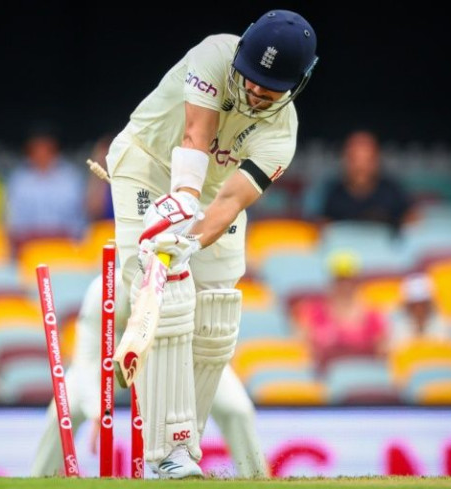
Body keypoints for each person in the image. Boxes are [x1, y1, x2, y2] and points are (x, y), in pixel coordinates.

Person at [101, 9, 319, 478]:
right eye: (252, 78)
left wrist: (190, 242)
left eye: (271, 86)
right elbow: (195, 135)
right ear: (240, 56)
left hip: (210, 194)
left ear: (298, 83)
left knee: (217, 314)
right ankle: (162, 452)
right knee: (162, 289)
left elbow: (228, 202)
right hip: (147, 162)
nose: (257, 92)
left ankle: (182, 448)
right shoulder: (214, 53)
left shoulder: (281, 135)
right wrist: (177, 204)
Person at [31, 271, 268, 478]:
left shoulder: (184, 284)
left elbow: (203, 346)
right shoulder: (103, 290)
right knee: (64, 411)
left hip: (182, 351)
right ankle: (38, 480)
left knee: (236, 409)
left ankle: (258, 480)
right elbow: (87, 361)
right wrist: (97, 411)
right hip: (116, 353)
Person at [292, 251, 387, 374]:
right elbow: (304, 351)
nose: (345, 285)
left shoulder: (374, 315)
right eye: (340, 279)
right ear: (331, 281)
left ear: (357, 281)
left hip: (365, 378)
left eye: (349, 279)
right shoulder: (313, 313)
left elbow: (384, 354)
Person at [6, 123, 88, 242]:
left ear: (55, 148)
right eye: (37, 147)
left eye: (46, 147)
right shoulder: (19, 180)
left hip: (66, 246)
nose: (42, 152)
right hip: (30, 247)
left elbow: (80, 222)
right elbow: (14, 225)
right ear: (29, 149)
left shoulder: (71, 177)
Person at [319, 130, 415, 229]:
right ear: (345, 159)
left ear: (377, 160)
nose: (361, 167)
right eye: (355, 159)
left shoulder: (392, 192)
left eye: (367, 160)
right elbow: (324, 225)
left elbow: (411, 220)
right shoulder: (333, 194)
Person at [387, 273, 451, 350]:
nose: (419, 308)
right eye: (414, 305)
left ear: (429, 303)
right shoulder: (398, 327)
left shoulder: (443, 324)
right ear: (407, 306)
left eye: (422, 304)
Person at [85, 132, 116, 222]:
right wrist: (99, 170)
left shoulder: (128, 179)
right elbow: (94, 210)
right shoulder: (98, 181)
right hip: (104, 231)